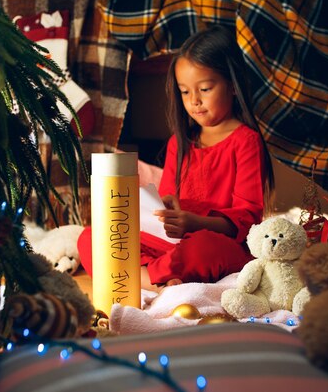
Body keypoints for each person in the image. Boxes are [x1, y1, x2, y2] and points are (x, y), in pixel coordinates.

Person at [77, 25, 275, 290]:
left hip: (216, 244)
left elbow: (248, 220)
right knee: (91, 236)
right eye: (184, 91)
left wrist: (195, 222)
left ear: (233, 86)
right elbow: (167, 201)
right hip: (171, 245)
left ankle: (141, 279)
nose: (194, 101)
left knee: (205, 248)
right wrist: (163, 207)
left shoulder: (246, 141)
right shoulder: (178, 143)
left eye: (204, 89)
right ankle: (159, 280)